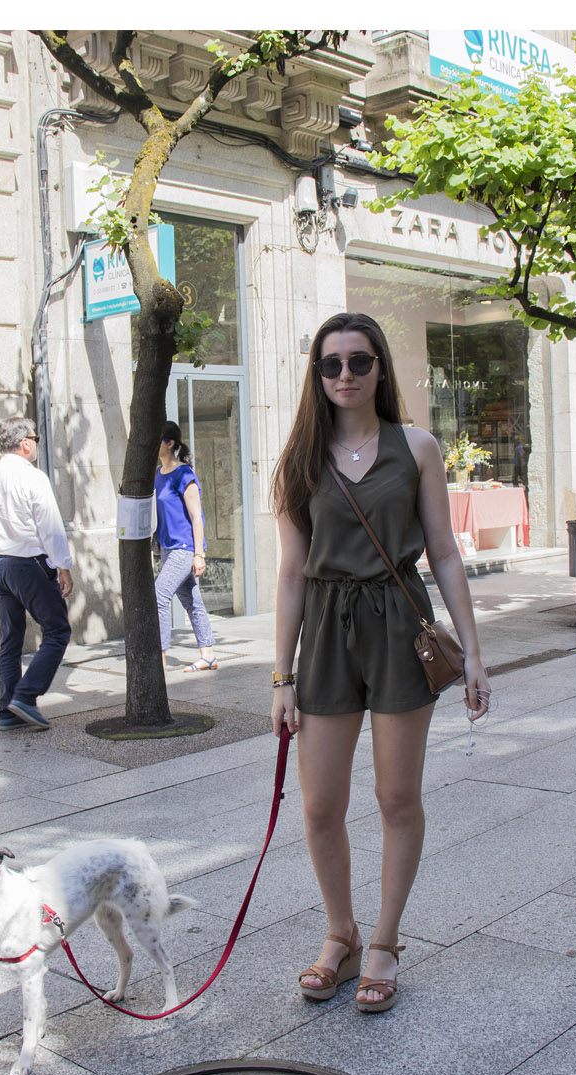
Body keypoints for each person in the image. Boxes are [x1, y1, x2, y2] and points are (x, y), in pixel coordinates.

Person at [270, 311, 493, 1013]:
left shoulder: (417, 447)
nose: (343, 376)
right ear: (316, 374)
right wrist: (281, 675)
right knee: (318, 804)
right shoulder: (299, 458)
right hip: (327, 636)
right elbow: (290, 573)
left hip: (400, 628)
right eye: (329, 364)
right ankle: (339, 933)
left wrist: (475, 653)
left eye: (357, 362)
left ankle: (384, 943)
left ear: (380, 368)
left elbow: (446, 554)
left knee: (396, 799)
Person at [0, 417, 74, 731]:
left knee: (11, 638)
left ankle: (7, 712)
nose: (36, 444)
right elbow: (50, 525)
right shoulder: (33, 477)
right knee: (57, 630)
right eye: (35, 438)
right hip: (26, 563)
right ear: (25, 442)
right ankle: (25, 697)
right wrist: (63, 565)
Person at [153, 421, 219, 672]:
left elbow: (196, 517)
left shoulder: (185, 475)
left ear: (170, 443)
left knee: (159, 594)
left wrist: (199, 554)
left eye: (158, 439)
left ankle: (159, 658)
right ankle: (208, 654)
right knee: (192, 601)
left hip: (184, 548)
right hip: (168, 548)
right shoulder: (159, 475)